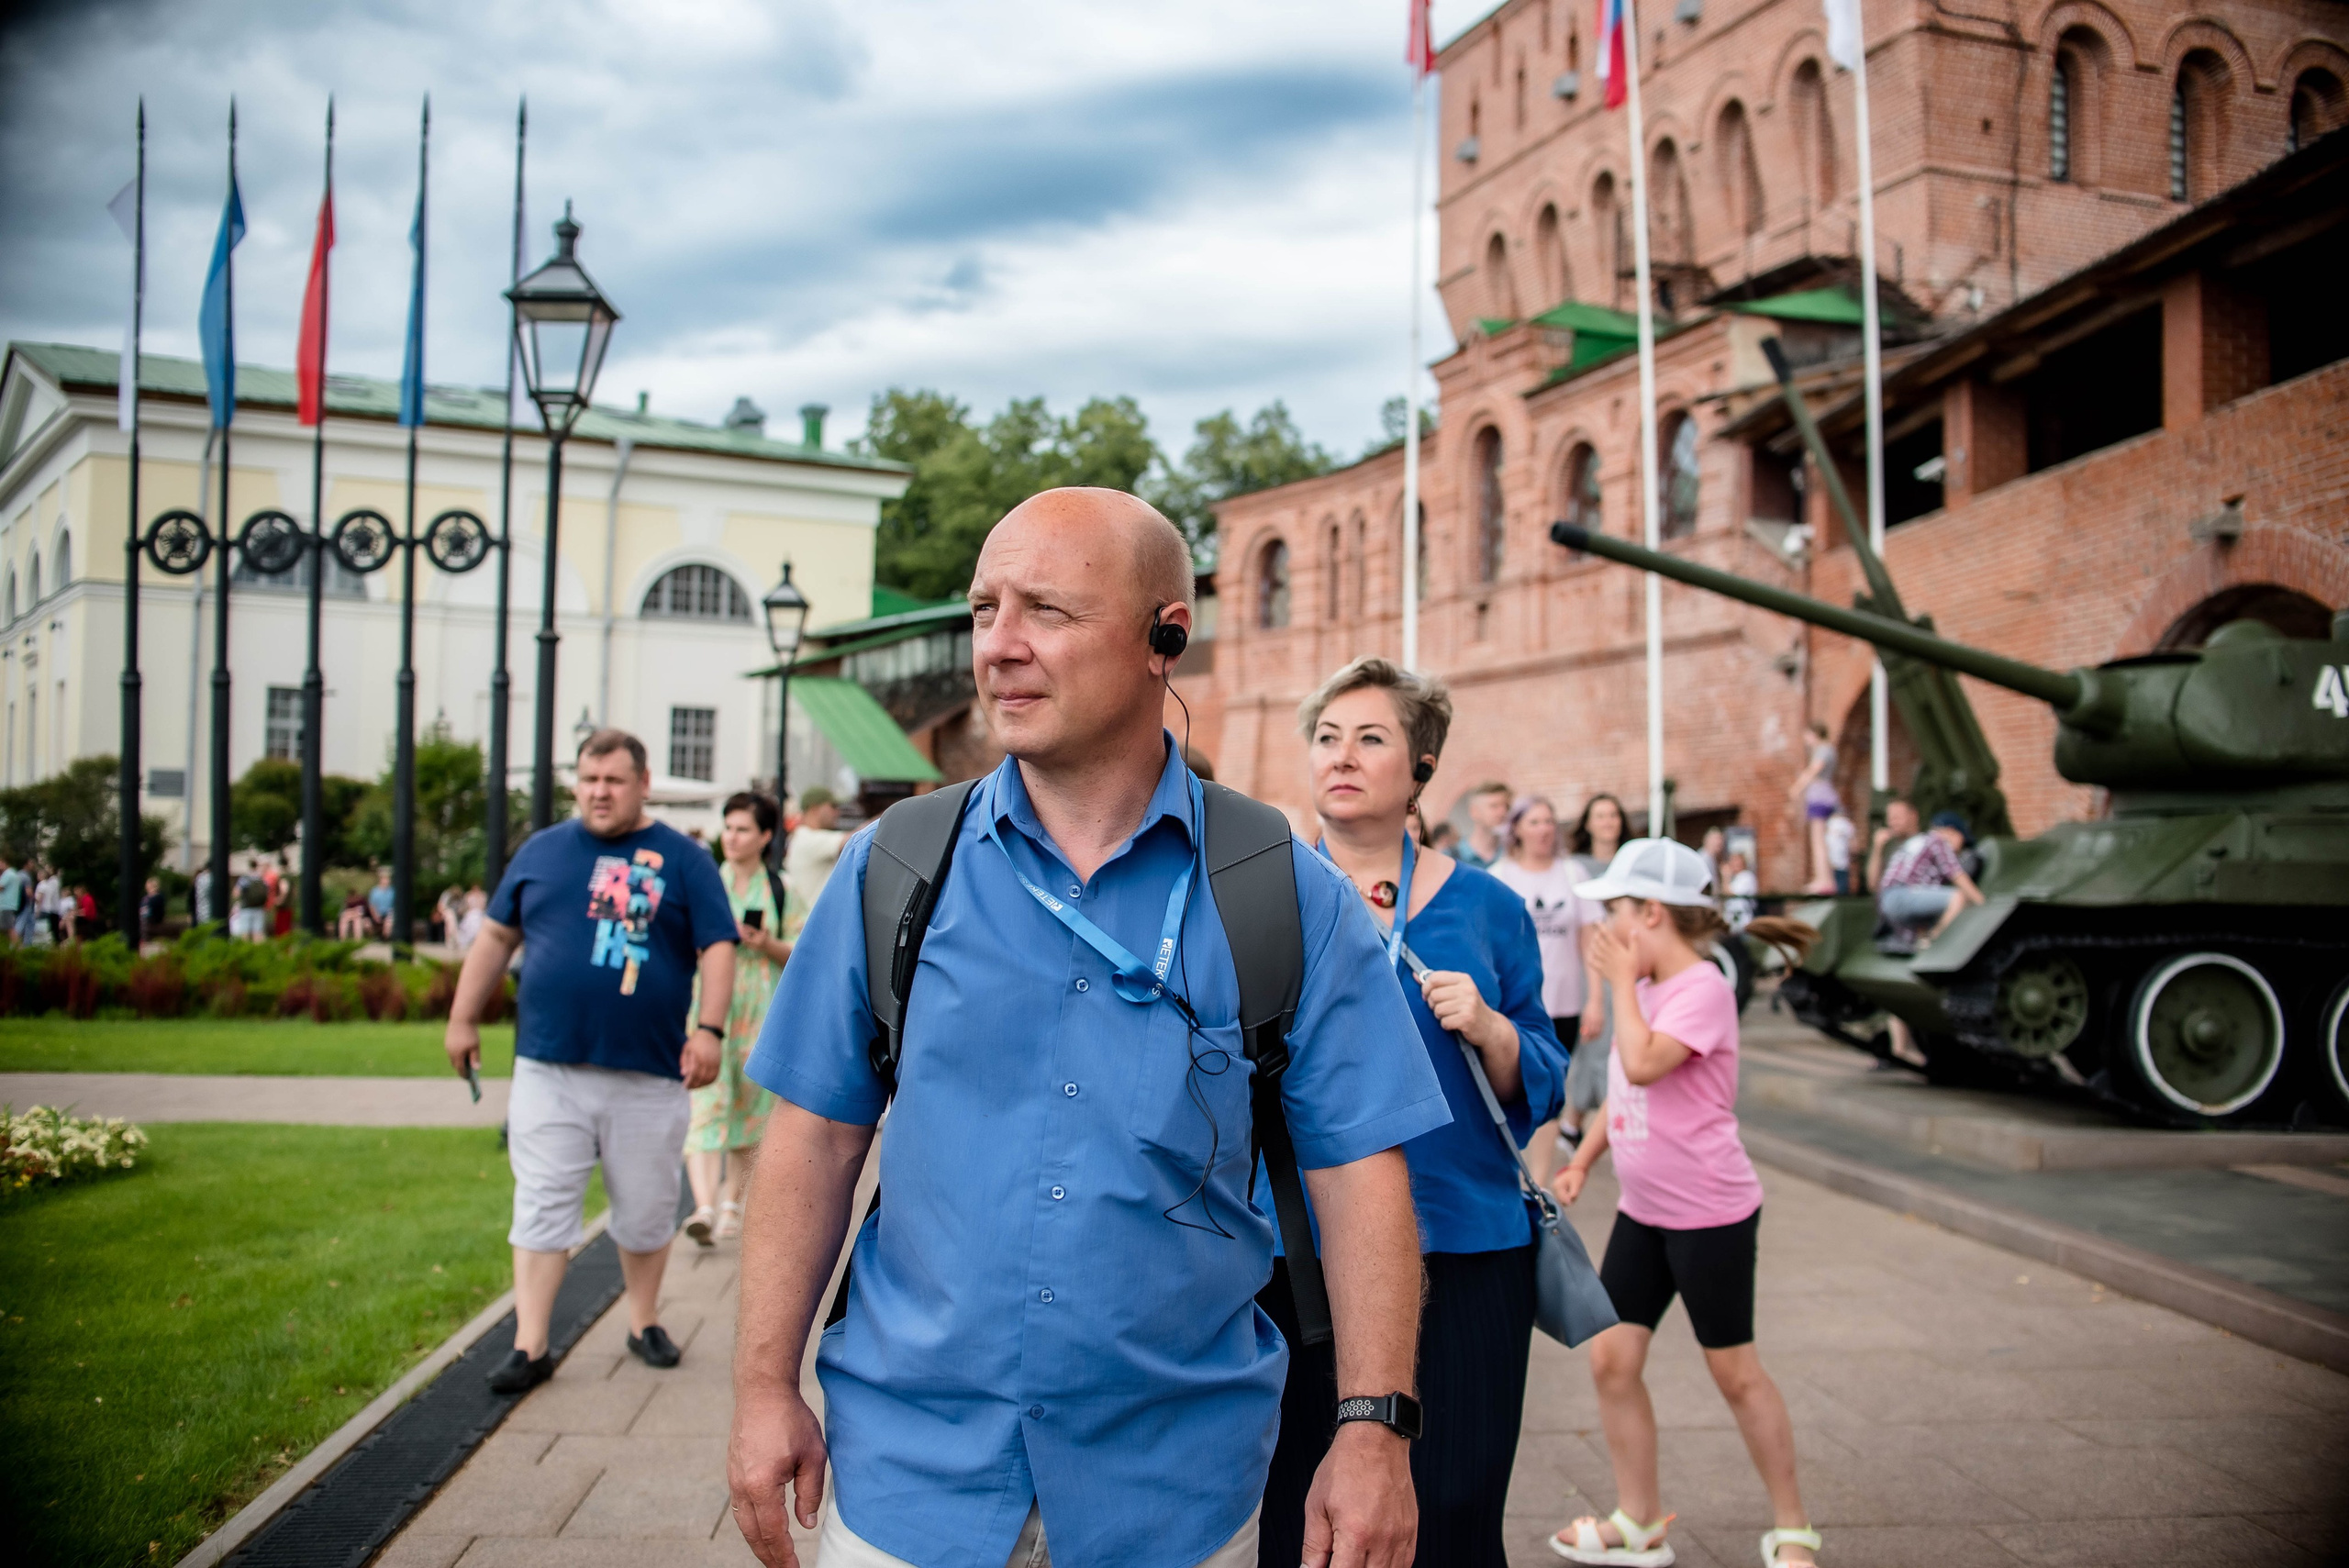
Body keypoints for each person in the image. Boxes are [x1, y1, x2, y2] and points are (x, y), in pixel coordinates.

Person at [726, 488, 1446, 1568]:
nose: (998, 648)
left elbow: (1359, 1172)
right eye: (983, 610)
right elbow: (814, 1137)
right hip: (906, 1480)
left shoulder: (1281, 893)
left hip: (1174, 1490)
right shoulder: (896, 869)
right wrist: (760, 1387)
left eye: (1047, 611)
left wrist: (1372, 1427)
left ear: (1167, 637)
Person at [1267, 660, 1567, 1568]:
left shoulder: (1489, 903)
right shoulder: (1265, 895)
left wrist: (1490, 1028)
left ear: (1421, 765)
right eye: (1327, 737)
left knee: (1449, 1509)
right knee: (1293, 1507)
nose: (1341, 756)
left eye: (1371, 737)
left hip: (1464, 1242)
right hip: (1298, 1252)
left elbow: (1546, 1070)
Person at [1547, 839, 1821, 1568]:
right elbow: (1624, 1090)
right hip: (1645, 1210)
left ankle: (1792, 1528)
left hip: (1710, 1215)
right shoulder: (1646, 987)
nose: (1607, 927)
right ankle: (1639, 1519)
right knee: (1611, 1359)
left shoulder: (1699, 988)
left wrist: (1614, 985)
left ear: (1652, 913)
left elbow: (1640, 1060)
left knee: (1735, 1373)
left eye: (1616, 911)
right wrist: (1581, 1160)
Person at [443, 728, 739, 1393]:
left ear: (643, 782)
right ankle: (531, 1343)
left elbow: (718, 945)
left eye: (613, 779)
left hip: (648, 1073)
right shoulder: (543, 852)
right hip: (550, 1069)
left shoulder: (684, 859)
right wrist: (463, 1017)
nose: (599, 791)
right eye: (588, 779)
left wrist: (711, 1029)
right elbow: (494, 935)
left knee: (644, 1207)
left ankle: (642, 1321)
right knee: (543, 1202)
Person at [684, 791, 793, 1248]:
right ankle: (703, 1207)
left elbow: (804, 953)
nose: (731, 836)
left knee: (750, 1111)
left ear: (765, 836)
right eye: (727, 827)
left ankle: (732, 1201)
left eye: (743, 828)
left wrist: (766, 943)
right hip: (710, 1009)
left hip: (761, 1009)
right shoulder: (707, 882)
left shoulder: (782, 888)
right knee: (705, 1105)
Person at [1868, 802, 1986, 1069]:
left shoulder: (1911, 845)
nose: (1961, 847)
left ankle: (1900, 1047)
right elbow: (1957, 876)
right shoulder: (1937, 841)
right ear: (1950, 832)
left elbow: (1875, 884)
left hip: (1891, 907)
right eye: (1960, 839)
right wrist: (1981, 903)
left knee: (1903, 981)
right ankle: (1933, 939)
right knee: (1958, 897)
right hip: (1903, 899)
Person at [1486, 796, 1588, 1049]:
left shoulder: (1573, 872)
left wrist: (1595, 1000)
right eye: (1534, 822)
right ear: (1516, 828)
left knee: (1562, 1077)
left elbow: (1590, 940)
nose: (1544, 829)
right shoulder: (1498, 877)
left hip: (1566, 1000)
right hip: (1518, 1000)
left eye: (1548, 821)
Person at [1560, 794, 1628, 1158]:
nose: (1608, 821)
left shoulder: (1629, 862)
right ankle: (1584, 1120)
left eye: (1613, 814)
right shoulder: (1576, 867)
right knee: (1596, 1045)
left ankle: (1583, 1122)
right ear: (1588, 823)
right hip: (1594, 964)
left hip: (1630, 960)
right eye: (1600, 815)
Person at [1786, 720, 1840, 894]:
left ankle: (1824, 880)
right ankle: (1824, 878)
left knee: (1818, 839)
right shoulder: (1828, 749)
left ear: (1815, 734)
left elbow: (1815, 769)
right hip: (1824, 793)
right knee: (1820, 839)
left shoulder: (1823, 750)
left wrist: (1797, 787)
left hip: (1820, 795)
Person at [781, 785, 846, 918]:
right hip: (812, 922)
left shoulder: (803, 836)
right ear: (815, 809)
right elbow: (854, 841)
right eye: (833, 806)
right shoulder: (806, 838)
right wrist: (886, 818)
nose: (837, 812)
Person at [1454, 780, 1512, 869]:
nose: (1503, 812)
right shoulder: (1452, 858)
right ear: (1474, 811)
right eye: (1494, 806)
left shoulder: (1512, 854)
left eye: (1507, 806)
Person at [1722, 850, 1759, 930]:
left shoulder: (1747, 876)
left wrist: (1725, 877)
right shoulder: (1734, 878)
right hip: (1731, 917)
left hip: (1743, 918)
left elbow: (1731, 893)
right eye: (1732, 861)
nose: (1735, 864)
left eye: (1737, 861)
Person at [1823, 806, 1855, 896]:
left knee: (1840, 887)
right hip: (1835, 861)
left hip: (1839, 861)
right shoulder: (1834, 823)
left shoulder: (1834, 824)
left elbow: (1852, 844)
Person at [0, 855, 26, 943]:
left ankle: (18, 948)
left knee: (9, 928)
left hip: (6, 905)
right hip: (11, 905)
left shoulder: (7, 874)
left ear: (4, 863)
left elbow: (1, 887)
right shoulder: (14, 873)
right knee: (4, 929)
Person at [366, 867, 395, 938]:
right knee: (367, 924)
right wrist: (375, 916)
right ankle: (375, 938)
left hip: (388, 914)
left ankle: (386, 939)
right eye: (385, 879)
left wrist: (390, 914)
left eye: (388, 879)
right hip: (377, 914)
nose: (387, 881)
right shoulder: (374, 892)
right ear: (381, 880)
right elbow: (372, 906)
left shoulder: (392, 891)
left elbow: (395, 906)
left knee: (389, 922)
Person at [140, 876, 168, 944]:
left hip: (153, 920)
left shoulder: (158, 897)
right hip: (144, 919)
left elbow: (157, 910)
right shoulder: (146, 898)